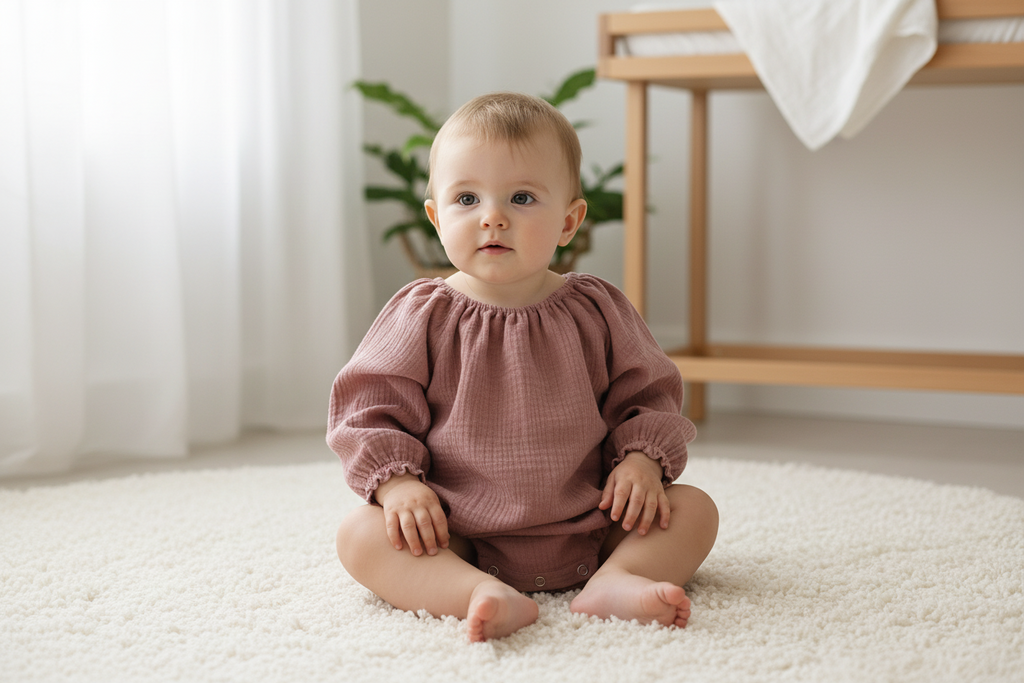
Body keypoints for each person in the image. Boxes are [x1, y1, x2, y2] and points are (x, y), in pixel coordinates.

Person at [328, 92, 718, 643]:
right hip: (457, 531)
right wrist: (397, 486)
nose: (493, 217)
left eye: (522, 197)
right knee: (360, 536)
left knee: (694, 510)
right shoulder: (421, 313)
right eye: (467, 198)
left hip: (594, 520)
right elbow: (368, 408)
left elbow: (649, 394)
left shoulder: (598, 308)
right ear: (436, 218)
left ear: (569, 221)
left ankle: (618, 577)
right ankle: (474, 591)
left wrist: (641, 462)